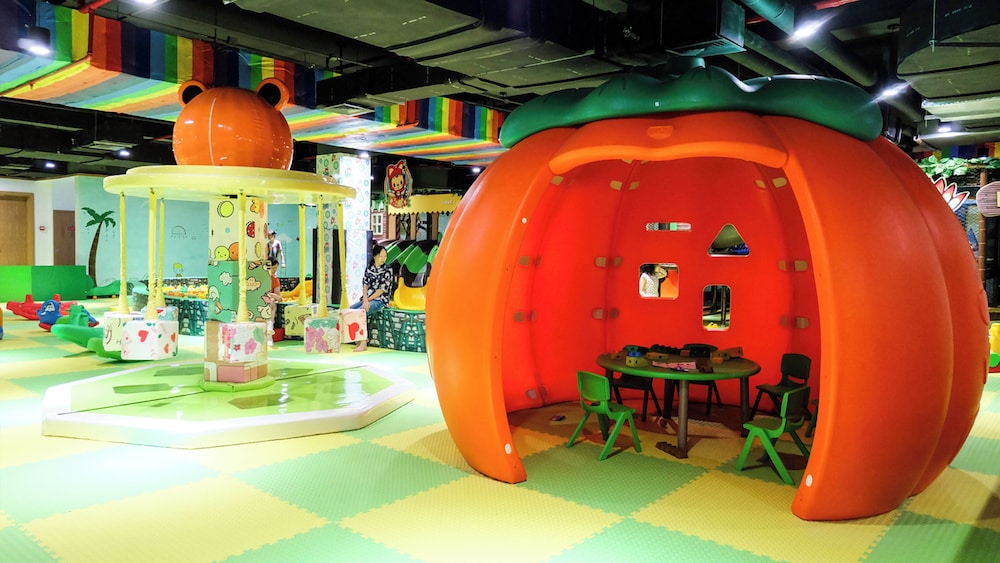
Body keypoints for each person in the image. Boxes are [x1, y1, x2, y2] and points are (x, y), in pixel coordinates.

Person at [350, 244, 394, 352]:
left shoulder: (388, 270)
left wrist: (368, 300)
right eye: (381, 256)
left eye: (385, 256)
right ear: (374, 256)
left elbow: (381, 290)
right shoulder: (369, 268)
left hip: (380, 300)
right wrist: (365, 299)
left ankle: (363, 342)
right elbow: (365, 284)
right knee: (350, 310)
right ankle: (361, 338)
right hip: (368, 297)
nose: (383, 259)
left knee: (361, 312)